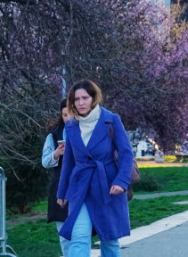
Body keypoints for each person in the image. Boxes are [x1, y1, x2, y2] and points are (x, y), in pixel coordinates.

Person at [56, 80, 133, 257]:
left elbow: (126, 154)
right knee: (79, 236)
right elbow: (69, 160)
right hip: (80, 187)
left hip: (107, 186)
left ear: (94, 98)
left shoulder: (111, 120)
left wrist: (121, 181)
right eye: (77, 99)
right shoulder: (71, 125)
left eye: (85, 98)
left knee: (110, 239)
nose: (81, 103)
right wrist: (62, 192)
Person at [42, 98, 72, 256]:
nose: (69, 118)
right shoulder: (54, 135)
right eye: (65, 115)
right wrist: (56, 154)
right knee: (64, 234)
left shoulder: (87, 131)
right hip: (60, 186)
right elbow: (44, 161)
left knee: (81, 233)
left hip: (82, 185)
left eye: (71, 114)